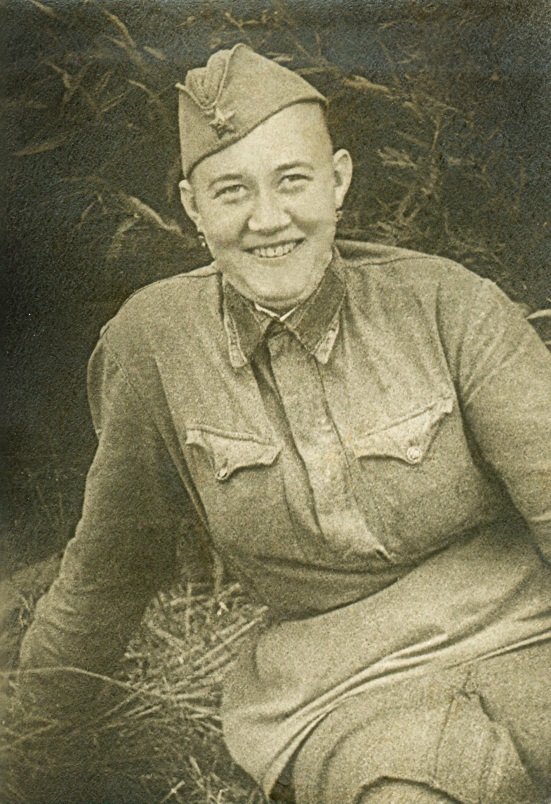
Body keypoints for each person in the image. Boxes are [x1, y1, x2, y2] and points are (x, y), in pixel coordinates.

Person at [18, 44, 551, 804]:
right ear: (192, 207)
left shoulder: (447, 304)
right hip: (346, 694)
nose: (268, 220)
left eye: (292, 180)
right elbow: (109, 570)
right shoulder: (154, 345)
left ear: (338, 182)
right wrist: (27, 745)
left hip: (527, 637)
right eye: (231, 190)